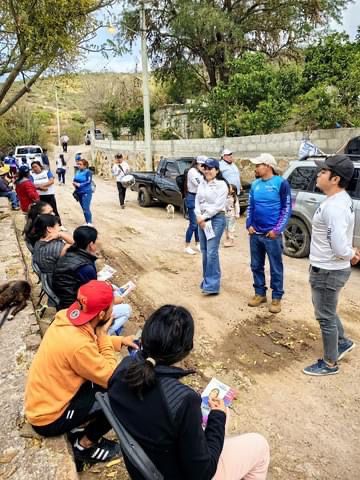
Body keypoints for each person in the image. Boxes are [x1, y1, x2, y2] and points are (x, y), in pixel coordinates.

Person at [108, 304, 270, 480]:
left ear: (145, 337)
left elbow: (153, 402)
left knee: (222, 414)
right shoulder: (183, 400)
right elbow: (203, 472)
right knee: (258, 444)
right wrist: (217, 417)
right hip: (174, 472)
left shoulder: (123, 368)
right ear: (186, 350)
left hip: (145, 465)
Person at [25, 280, 138, 466]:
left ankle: (79, 425)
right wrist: (104, 338)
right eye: (111, 307)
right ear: (102, 314)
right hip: (49, 418)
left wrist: (120, 341)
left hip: (43, 400)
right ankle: (84, 446)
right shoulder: (78, 346)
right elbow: (111, 376)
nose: (113, 310)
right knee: (121, 395)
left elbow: (89, 343)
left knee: (97, 384)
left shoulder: (65, 318)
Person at [303, 155, 360, 376]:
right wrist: (349, 253)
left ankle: (329, 363)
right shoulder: (338, 200)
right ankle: (342, 341)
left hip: (327, 270)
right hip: (329, 268)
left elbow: (338, 245)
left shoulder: (334, 207)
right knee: (328, 310)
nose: (318, 174)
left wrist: (349, 254)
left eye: (323, 171)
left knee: (324, 316)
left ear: (335, 178)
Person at [53, 226, 131, 334]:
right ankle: (101, 336)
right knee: (126, 308)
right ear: (91, 244)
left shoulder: (70, 253)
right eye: (97, 239)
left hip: (65, 300)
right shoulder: (85, 267)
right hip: (75, 307)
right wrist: (114, 300)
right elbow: (92, 297)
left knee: (113, 292)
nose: (99, 241)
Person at [246, 153, 291, 314]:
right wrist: (249, 224)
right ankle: (260, 293)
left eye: (258, 165)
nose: (256, 168)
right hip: (255, 234)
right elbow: (251, 206)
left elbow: (286, 209)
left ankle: (277, 297)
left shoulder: (281, 183)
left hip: (272, 235)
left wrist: (277, 230)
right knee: (256, 265)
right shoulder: (255, 185)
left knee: (276, 267)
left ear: (268, 166)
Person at [195, 158, 228, 295]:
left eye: (210, 168)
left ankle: (212, 285)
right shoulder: (202, 183)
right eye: (205, 168)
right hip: (201, 220)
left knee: (211, 252)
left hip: (215, 219)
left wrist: (203, 217)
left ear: (217, 170)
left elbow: (218, 206)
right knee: (204, 251)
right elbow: (197, 201)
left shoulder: (221, 185)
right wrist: (198, 216)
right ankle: (208, 281)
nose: (207, 171)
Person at [32, 214, 73, 280]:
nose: (60, 228)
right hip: (59, 282)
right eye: (58, 226)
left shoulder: (38, 243)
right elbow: (80, 245)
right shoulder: (58, 247)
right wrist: (61, 234)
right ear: (49, 229)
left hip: (47, 280)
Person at [184, 156, 205, 255]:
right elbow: (200, 184)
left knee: (198, 222)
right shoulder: (192, 172)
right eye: (202, 165)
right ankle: (187, 246)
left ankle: (198, 243)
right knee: (193, 224)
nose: (204, 167)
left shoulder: (201, 172)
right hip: (192, 198)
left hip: (199, 198)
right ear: (197, 164)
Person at [73, 159, 93, 225]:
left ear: (85, 166)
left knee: (86, 207)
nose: (78, 165)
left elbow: (89, 181)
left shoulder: (88, 172)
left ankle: (89, 223)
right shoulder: (77, 171)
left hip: (86, 191)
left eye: (80, 164)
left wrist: (80, 184)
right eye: (78, 164)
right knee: (83, 208)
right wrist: (74, 183)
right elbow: (75, 179)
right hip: (79, 192)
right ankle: (86, 221)